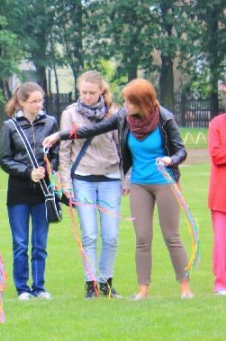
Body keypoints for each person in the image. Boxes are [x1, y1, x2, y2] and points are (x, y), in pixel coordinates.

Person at [44, 78, 192, 300]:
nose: (125, 105)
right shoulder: (124, 117)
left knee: (172, 236)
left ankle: (185, 287)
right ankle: (143, 289)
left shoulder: (165, 118)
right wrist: (60, 135)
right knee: (142, 238)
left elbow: (181, 151)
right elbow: (92, 129)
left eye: (129, 101)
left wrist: (170, 160)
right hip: (139, 184)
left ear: (142, 102)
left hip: (165, 182)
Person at [59, 71, 122, 298]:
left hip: (110, 178)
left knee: (111, 234)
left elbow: (122, 147)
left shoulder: (114, 113)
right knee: (89, 234)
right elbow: (64, 152)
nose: (86, 96)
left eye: (91, 93)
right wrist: (65, 183)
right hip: (83, 178)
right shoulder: (70, 114)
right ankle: (91, 283)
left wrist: (126, 177)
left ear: (101, 91)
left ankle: (106, 282)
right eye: (83, 92)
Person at [0, 82, 59, 301]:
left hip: (43, 191)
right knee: (21, 243)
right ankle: (22, 288)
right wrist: (26, 172)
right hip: (19, 192)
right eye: (33, 101)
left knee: (40, 243)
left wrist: (48, 168)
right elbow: (4, 160)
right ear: (22, 102)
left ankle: (39, 287)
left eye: (40, 100)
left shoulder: (50, 123)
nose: (38, 105)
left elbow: (56, 154)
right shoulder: (10, 126)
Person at [207, 85, 226, 296]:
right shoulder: (217, 124)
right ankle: (221, 283)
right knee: (222, 242)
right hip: (221, 194)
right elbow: (217, 155)